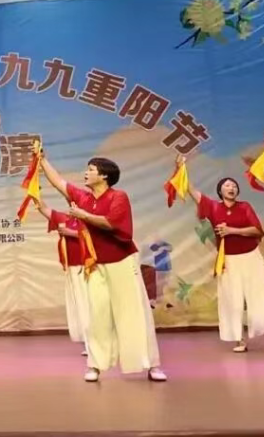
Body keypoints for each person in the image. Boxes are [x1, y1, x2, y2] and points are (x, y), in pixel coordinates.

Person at [36, 146, 167, 383]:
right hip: (95, 264)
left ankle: (151, 364)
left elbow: (111, 224)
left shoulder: (118, 197)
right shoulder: (84, 198)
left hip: (122, 261)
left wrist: (84, 216)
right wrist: (42, 161)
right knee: (97, 315)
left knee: (134, 313)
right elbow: (58, 182)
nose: (86, 173)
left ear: (104, 175)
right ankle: (95, 365)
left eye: (91, 169)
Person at [178, 155, 264, 354]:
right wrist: (182, 168)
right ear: (220, 191)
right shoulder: (213, 207)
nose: (231, 187)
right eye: (227, 185)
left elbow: (257, 230)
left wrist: (232, 230)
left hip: (251, 257)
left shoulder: (244, 207)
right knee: (232, 300)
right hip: (228, 261)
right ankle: (239, 340)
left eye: (234, 185)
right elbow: (192, 191)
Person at [34, 197, 90, 357]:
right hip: (72, 269)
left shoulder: (92, 222)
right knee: (79, 306)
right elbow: (44, 209)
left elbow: (99, 237)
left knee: (91, 306)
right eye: (72, 203)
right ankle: (87, 342)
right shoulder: (64, 219)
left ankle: (99, 341)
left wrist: (73, 233)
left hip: (90, 268)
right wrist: (35, 193)